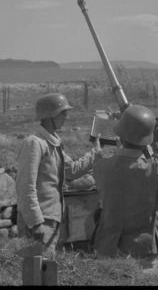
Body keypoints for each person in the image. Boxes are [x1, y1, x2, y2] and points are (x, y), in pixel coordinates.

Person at [92, 105, 158, 269]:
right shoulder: (155, 170)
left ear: (121, 136)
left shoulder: (101, 166)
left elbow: (113, 166)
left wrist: (106, 151)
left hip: (108, 250)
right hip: (144, 252)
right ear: (148, 139)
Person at [16, 93, 102, 257]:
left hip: (50, 219)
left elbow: (72, 170)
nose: (66, 117)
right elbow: (25, 187)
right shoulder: (34, 144)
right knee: (34, 272)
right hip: (38, 221)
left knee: (47, 271)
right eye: (63, 113)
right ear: (50, 116)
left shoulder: (53, 143)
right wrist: (35, 224)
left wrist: (95, 151)